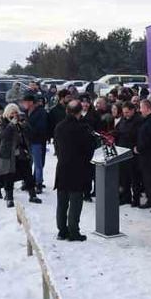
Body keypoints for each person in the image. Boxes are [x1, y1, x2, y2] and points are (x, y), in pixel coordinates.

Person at [53, 101, 94, 242]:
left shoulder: (59, 127)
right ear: (79, 112)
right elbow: (89, 149)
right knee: (75, 201)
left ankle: (62, 230)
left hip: (62, 166)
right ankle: (73, 231)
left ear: (66, 111)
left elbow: (57, 146)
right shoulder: (82, 128)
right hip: (78, 168)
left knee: (62, 201)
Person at [0, 104, 40, 206]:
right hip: (8, 153)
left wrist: (24, 125)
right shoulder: (4, 123)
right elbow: (3, 136)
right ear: (8, 113)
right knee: (9, 175)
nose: (14, 115)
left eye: (16, 112)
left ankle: (32, 195)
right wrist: (11, 125)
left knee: (27, 173)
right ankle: (9, 197)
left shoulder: (20, 122)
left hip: (21, 152)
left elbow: (30, 133)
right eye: (12, 113)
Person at [22, 92, 50, 193]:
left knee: (38, 164)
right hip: (27, 141)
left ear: (30, 102)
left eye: (25, 102)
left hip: (37, 141)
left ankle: (38, 183)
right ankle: (28, 181)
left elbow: (41, 128)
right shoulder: (26, 112)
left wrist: (28, 127)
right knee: (28, 163)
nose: (23, 104)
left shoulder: (41, 112)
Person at [135, 99, 151, 209]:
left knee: (150, 178)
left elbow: (149, 138)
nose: (140, 110)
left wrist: (139, 148)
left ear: (146, 108)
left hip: (149, 154)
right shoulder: (147, 119)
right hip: (144, 154)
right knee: (147, 178)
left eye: (141, 108)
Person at [113, 102, 139, 205]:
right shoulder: (123, 120)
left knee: (134, 177)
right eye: (124, 113)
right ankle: (125, 196)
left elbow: (134, 134)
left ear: (132, 110)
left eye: (127, 112)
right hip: (122, 151)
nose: (125, 114)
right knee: (124, 177)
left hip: (132, 152)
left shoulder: (138, 120)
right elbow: (118, 130)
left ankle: (136, 198)